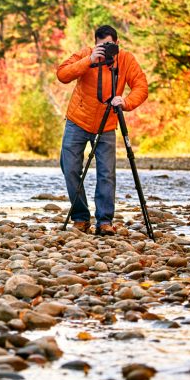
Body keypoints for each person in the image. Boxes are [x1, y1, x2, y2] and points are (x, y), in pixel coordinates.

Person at [56, 25, 148, 236]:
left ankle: (104, 221)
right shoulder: (86, 55)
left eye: (109, 45)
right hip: (77, 121)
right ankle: (80, 218)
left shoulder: (125, 59)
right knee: (69, 168)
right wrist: (88, 61)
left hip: (107, 123)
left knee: (106, 174)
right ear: (95, 43)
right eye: (101, 46)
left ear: (116, 43)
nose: (105, 49)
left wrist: (125, 101)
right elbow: (62, 74)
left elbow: (141, 86)